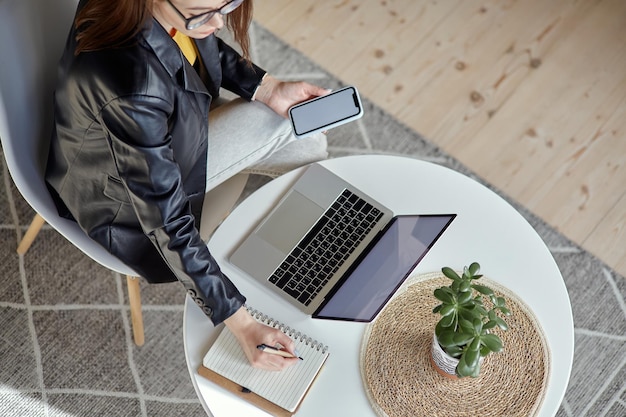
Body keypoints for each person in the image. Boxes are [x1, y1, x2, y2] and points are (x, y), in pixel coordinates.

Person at [45, 0, 329, 371]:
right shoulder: (132, 86)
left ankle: (322, 245)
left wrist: (267, 87)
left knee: (308, 137)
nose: (218, 22)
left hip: (168, 136)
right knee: (292, 131)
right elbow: (168, 222)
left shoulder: (167, 11)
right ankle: (311, 259)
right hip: (122, 200)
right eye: (201, 14)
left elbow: (198, 45)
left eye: (227, 5)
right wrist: (241, 324)